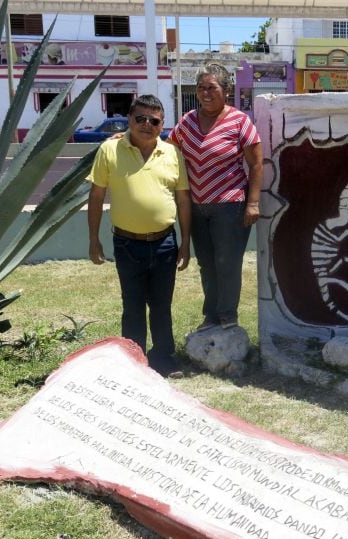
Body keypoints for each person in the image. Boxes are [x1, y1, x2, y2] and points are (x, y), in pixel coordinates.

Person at [87, 94, 191, 377]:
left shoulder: (172, 154)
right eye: (140, 118)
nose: (147, 124)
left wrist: (185, 243)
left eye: (154, 120)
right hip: (126, 243)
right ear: (130, 120)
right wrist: (93, 238)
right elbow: (96, 196)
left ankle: (163, 360)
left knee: (161, 305)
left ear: (162, 124)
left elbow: (183, 200)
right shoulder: (109, 151)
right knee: (132, 306)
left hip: (165, 243)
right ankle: (134, 363)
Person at [168, 62, 263, 331]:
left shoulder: (239, 121)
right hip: (197, 207)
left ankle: (228, 315)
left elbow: (256, 164)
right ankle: (211, 315)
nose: (206, 93)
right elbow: (167, 149)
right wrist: (126, 138)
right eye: (201, 88)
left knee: (227, 263)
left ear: (226, 91)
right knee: (206, 264)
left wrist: (253, 203)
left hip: (230, 205)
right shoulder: (187, 121)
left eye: (212, 88)